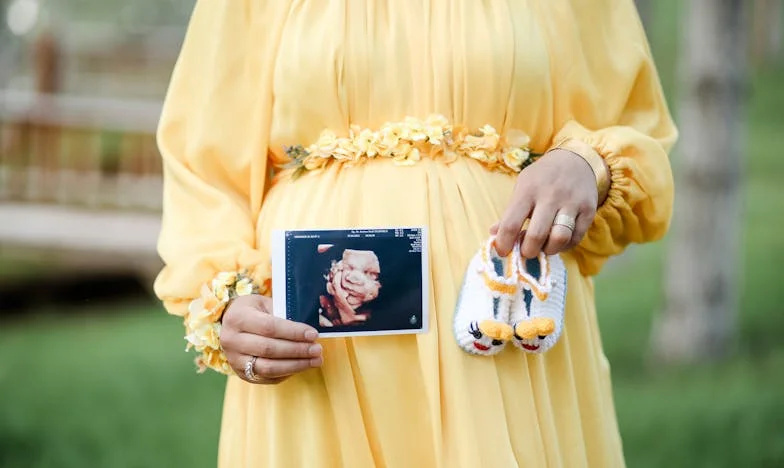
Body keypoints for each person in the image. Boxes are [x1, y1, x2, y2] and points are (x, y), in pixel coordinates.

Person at [153, 1, 676, 466]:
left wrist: (588, 166)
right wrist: (227, 301)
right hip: (318, 360)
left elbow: (635, 126)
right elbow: (203, 165)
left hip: (504, 328)